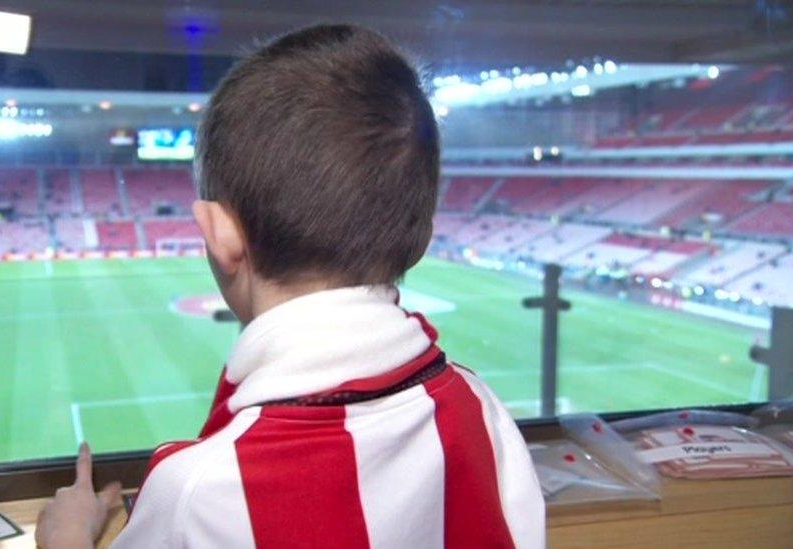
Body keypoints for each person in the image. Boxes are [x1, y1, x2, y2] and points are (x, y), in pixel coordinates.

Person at [36, 24, 544, 548]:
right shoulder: (482, 409)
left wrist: (66, 539)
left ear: (220, 234)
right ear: (419, 240)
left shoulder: (199, 494)